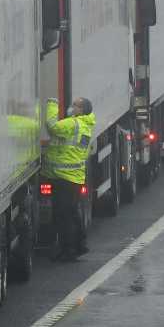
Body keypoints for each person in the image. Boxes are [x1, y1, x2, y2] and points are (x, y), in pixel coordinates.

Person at [43, 96, 95, 261]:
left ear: (82, 110)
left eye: (76, 105)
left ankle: (69, 250)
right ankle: (79, 245)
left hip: (64, 177)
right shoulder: (85, 126)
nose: (72, 106)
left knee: (64, 215)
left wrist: (52, 104)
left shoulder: (73, 124)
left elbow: (52, 127)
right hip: (74, 177)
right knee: (72, 213)